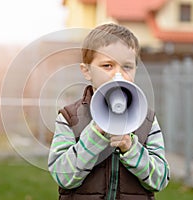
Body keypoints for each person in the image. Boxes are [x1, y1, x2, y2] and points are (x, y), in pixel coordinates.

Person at [48, 23, 170, 200]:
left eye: (127, 67)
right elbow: (63, 177)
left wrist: (131, 149)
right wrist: (94, 136)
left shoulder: (147, 120)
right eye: (107, 66)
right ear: (87, 71)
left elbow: (159, 180)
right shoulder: (69, 118)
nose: (118, 75)